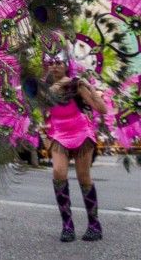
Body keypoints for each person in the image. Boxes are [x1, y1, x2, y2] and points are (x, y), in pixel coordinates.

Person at [44, 57, 108, 242]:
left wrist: (90, 87)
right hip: (59, 135)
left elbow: (101, 108)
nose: (55, 66)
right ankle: (67, 225)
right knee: (58, 172)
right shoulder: (44, 89)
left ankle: (94, 225)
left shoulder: (76, 84)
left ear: (67, 66)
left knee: (83, 176)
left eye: (59, 62)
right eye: (51, 63)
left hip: (81, 133)